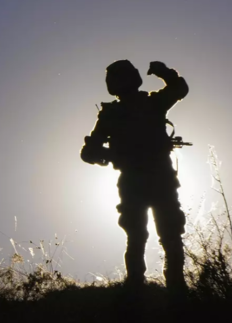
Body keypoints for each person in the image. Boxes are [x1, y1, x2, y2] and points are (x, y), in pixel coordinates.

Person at [80, 60, 189, 292]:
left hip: (148, 180)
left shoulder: (135, 108)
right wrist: (164, 73)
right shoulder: (143, 106)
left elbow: (89, 153)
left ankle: (156, 288)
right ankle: (154, 289)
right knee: (152, 236)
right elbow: (88, 153)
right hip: (146, 179)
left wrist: (113, 155)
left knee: (154, 235)